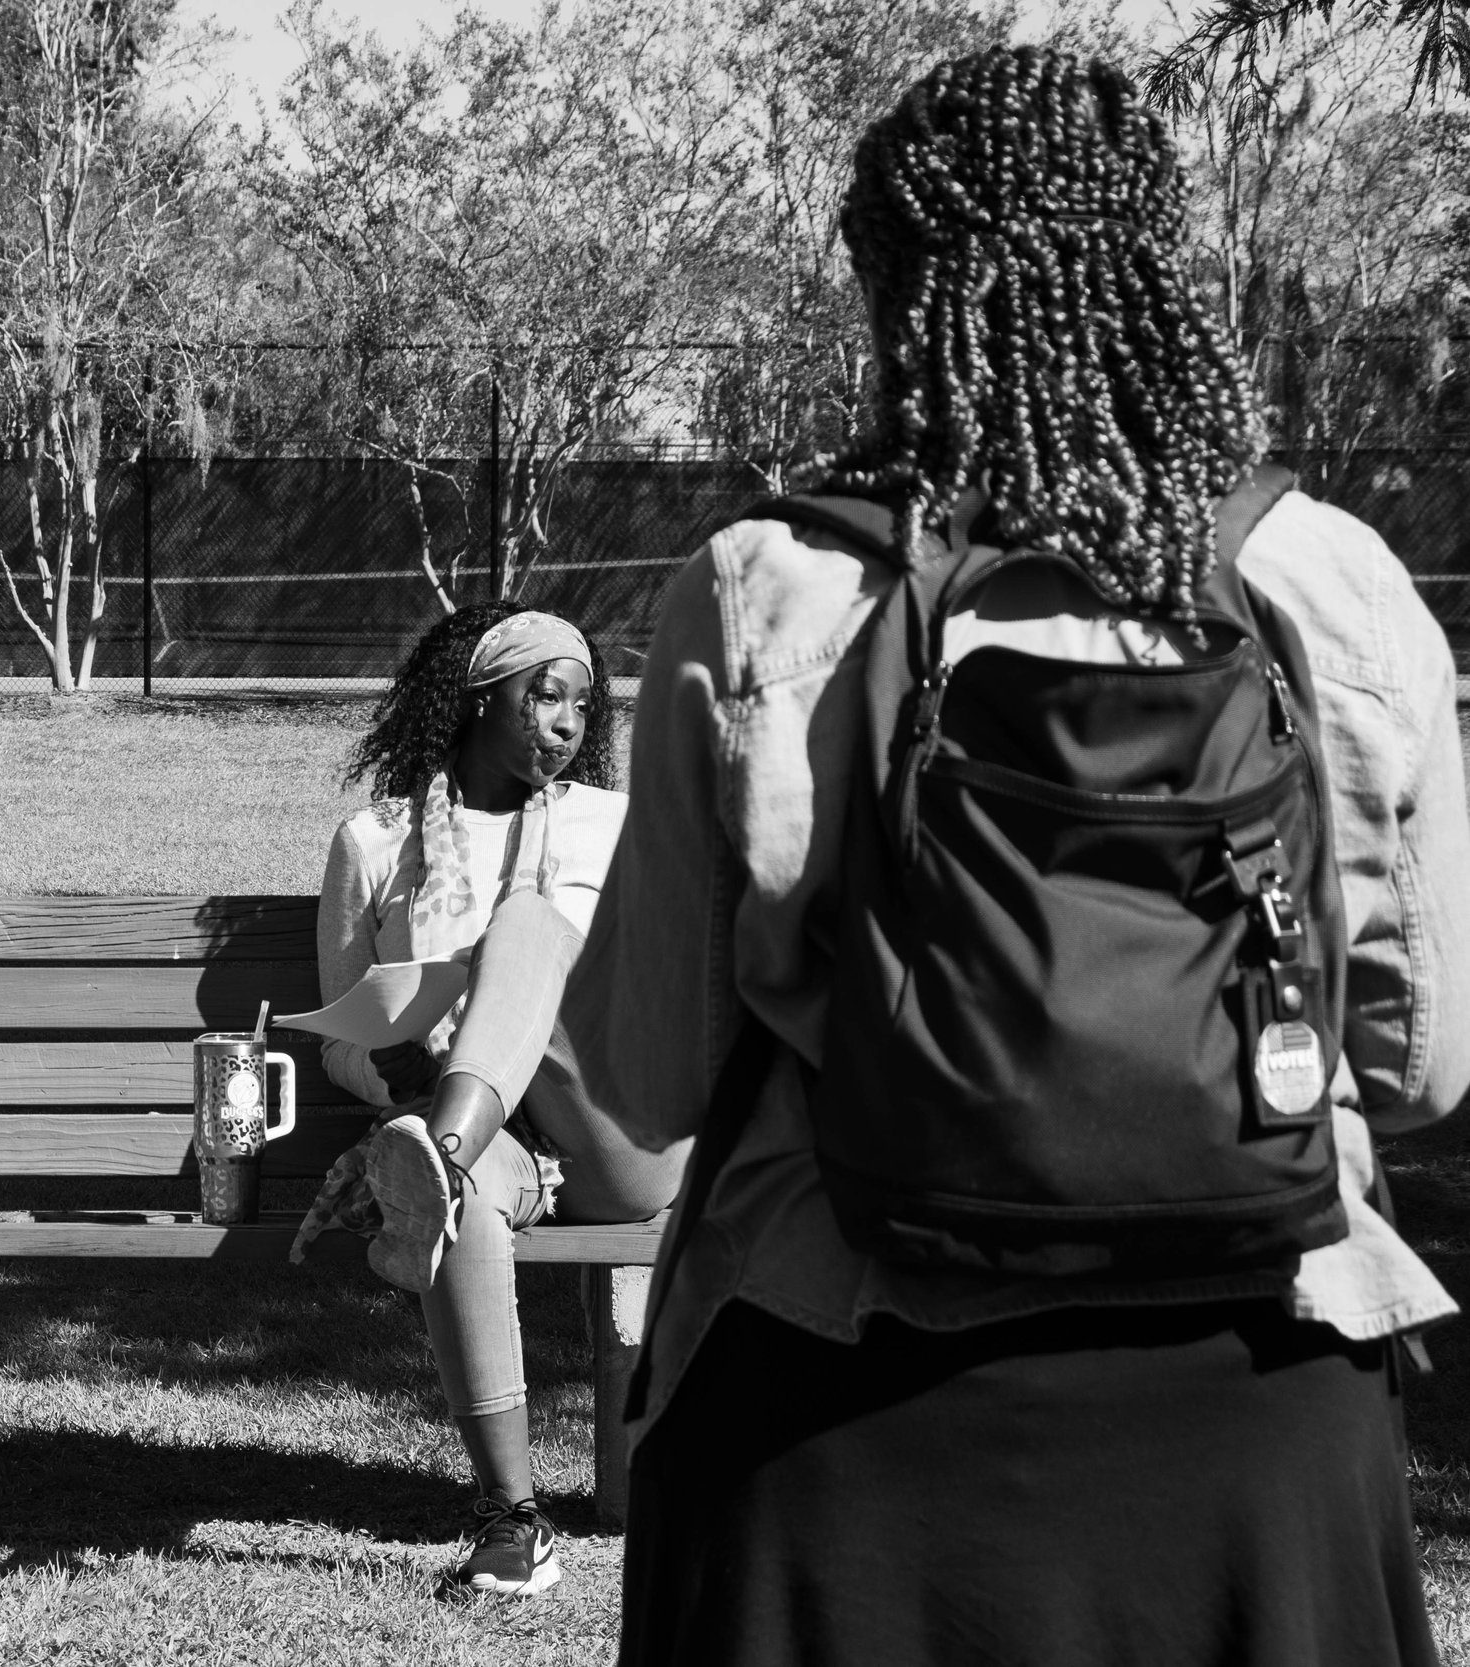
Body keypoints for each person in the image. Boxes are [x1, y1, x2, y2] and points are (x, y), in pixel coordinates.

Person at [568, 47, 1470, 1665]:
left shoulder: (766, 583)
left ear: (893, 289)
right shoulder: (1333, 580)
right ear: (1157, 263)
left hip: (832, 1400)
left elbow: (645, 1075)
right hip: (1263, 1391)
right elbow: (1421, 1068)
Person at [297, 600, 690, 1602]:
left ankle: (438, 1144)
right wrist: (375, 1071)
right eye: (542, 695)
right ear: (477, 697)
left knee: (525, 924)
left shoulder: (616, 825)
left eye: (580, 705)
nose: (565, 721)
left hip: (614, 1129)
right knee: (456, 1191)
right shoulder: (376, 839)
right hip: (490, 1142)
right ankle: (510, 1520)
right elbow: (342, 1024)